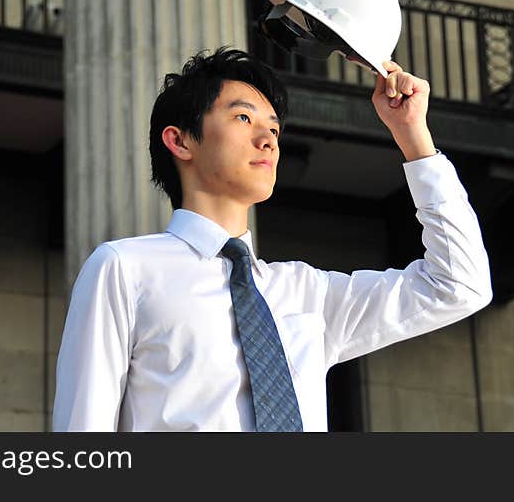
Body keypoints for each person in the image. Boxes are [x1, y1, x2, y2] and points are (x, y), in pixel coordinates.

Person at [52, 47, 491, 431]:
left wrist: (413, 136)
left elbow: (459, 287)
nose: (267, 140)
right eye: (243, 117)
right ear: (180, 141)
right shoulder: (126, 269)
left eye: (275, 129)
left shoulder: (307, 293)